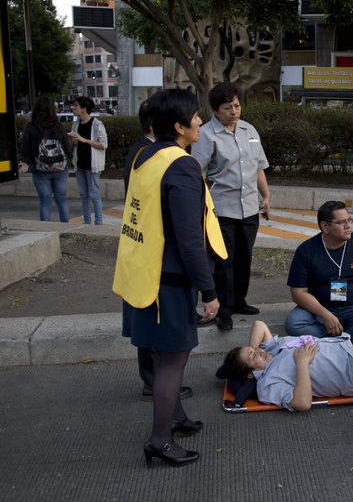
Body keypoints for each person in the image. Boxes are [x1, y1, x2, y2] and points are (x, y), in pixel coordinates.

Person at [112, 89, 227, 467]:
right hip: (170, 281)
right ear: (178, 127)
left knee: (163, 355)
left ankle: (175, 418)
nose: (200, 122)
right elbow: (190, 237)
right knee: (173, 360)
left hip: (144, 273)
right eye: (194, 117)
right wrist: (209, 291)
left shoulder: (144, 155)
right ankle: (159, 440)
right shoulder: (180, 166)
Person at [120, 98, 194, 402]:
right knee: (162, 342)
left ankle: (166, 396)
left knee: (156, 335)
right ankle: (156, 387)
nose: (198, 122)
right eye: (194, 117)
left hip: (147, 258)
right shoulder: (154, 156)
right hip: (158, 261)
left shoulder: (151, 153)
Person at [193, 83, 271, 331]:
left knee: (244, 257)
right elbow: (198, 173)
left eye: (237, 106)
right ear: (215, 110)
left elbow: (258, 166)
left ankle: (239, 300)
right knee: (223, 260)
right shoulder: (205, 135)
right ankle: (223, 308)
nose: (234, 111)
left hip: (249, 208)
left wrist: (266, 196)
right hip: (221, 209)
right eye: (228, 108)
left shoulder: (249, 130)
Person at [220, 320, 353, 411]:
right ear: (250, 374)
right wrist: (302, 363)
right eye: (253, 356)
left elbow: (259, 325)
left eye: (254, 348)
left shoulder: (271, 349)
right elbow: (302, 404)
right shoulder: (268, 385)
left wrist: (254, 349)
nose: (258, 351)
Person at [284, 200, 353, 340]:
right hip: (321, 307)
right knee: (294, 323)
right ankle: (346, 336)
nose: (348, 226)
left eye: (349, 220)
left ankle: (337, 338)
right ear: (325, 226)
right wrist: (325, 314)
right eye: (341, 222)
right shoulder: (306, 250)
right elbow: (298, 293)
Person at [20, 97, 71, 222]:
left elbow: (24, 150)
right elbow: (67, 148)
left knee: (45, 201)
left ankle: (46, 229)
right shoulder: (58, 126)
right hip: (60, 168)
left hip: (39, 169)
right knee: (62, 199)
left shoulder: (30, 127)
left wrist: (25, 161)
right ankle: (65, 227)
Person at [68, 96, 107, 225]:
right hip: (79, 164)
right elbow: (75, 143)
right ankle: (86, 221)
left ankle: (99, 222)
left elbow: (103, 144)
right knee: (83, 195)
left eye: (75, 105)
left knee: (94, 194)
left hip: (93, 165)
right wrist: (73, 140)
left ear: (83, 109)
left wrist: (83, 139)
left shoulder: (97, 124)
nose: (73, 108)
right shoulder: (76, 123)